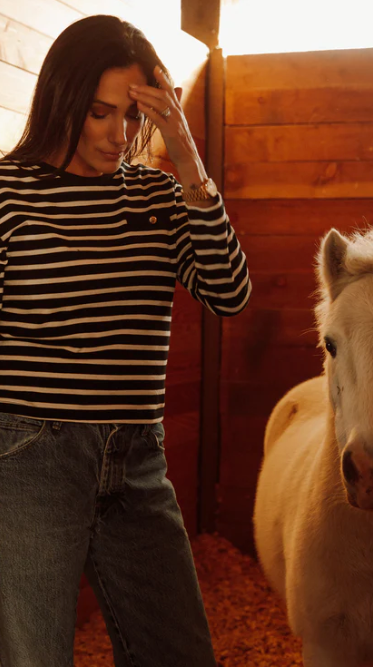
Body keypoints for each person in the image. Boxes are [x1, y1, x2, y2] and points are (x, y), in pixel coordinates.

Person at [0, 14, 251, 667]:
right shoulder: (7, 193)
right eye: (100, 115)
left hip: (138, 464)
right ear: (62, 101)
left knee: (180, 653)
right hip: (29, 458)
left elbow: (230, 291)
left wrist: (189, 158)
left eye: (133, 118)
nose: (121, 136)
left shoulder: (161, 198)